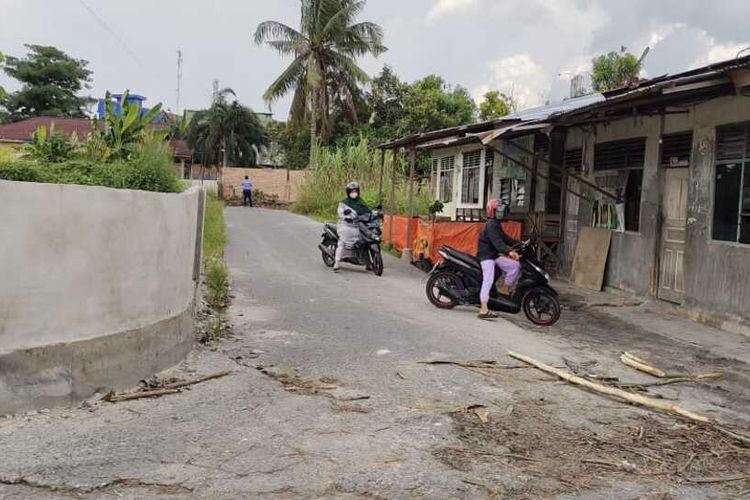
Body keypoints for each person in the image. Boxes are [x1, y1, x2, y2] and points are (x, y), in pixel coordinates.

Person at [476, 199, 521, 320]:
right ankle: (483, 309)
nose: (502, 213)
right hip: (486, 257)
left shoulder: (495, 223)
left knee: (514, 266)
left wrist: (520, 244)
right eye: (499, 210)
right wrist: (510, 251)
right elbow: (498, 243)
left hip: (494, 256)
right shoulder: (491, 224)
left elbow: (505, 238)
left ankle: (505, 290)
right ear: (492, 211)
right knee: (488, 280)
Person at [333, 181, 372, 272]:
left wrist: (374, 214)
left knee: (364, 242)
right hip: (345, 226)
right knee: (341, 243)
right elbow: (340, 212)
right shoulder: (344, 203)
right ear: (348, 192)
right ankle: (336, 263)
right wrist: (345, 216)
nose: (354, 193)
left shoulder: (361, 202)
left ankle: (368, 262)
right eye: (352, 191)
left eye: (355, 191)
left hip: (357, 226)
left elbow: (367, 210)